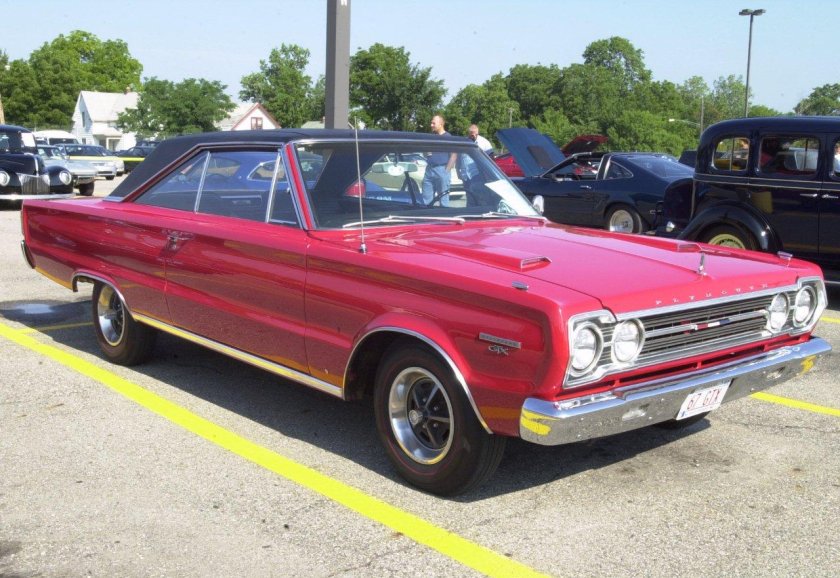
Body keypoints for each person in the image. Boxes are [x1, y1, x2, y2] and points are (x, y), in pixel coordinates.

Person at [422, 114, 457, 205]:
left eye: (433, 123)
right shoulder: (430, 136)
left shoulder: (448, 137)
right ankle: (427, 214)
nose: (431, 125)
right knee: (426, 200)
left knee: (443, 201)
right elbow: (425, 153)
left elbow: (454, 155)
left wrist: (446, 171)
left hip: (442, 169)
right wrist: (426, 152)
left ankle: (444, 214)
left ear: (441, 124)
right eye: (431, 123)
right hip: (429, 169)